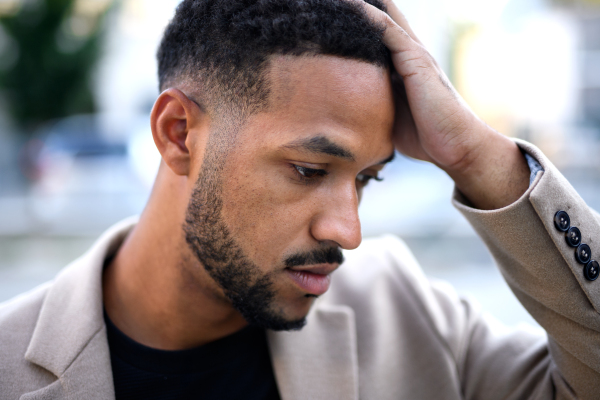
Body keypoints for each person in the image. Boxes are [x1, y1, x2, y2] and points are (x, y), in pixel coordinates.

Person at [1, 0, 599, 398]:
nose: (349, 231)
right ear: (178, 133)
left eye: (367, 178)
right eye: (310, 170)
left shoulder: (407, 319)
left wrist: (479, 160)